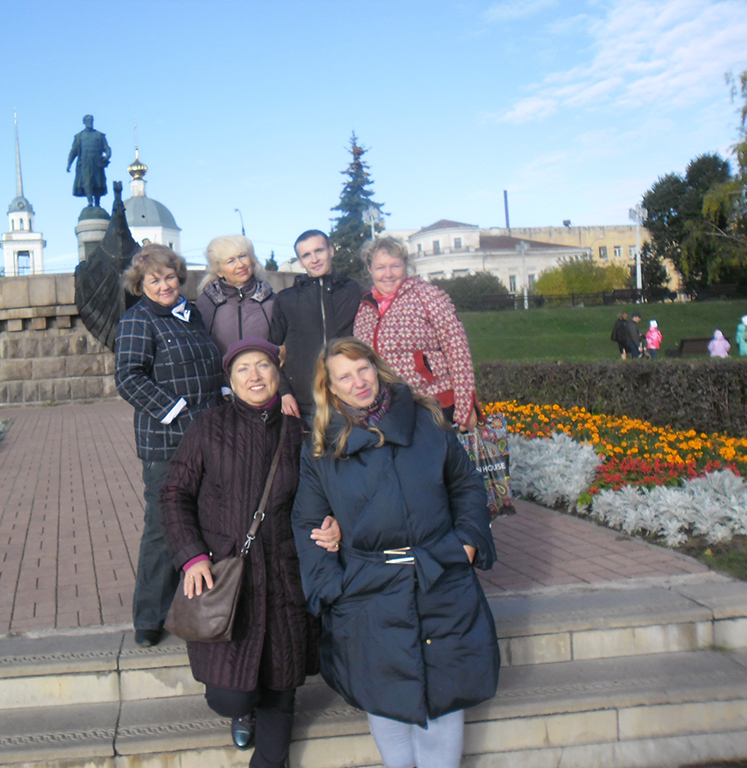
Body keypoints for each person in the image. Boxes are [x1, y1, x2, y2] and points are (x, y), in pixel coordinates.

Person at [291, 338, 499, 768]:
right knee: (386, 704)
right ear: (330, 387)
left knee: (444, 700)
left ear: (377, 367)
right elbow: (308, 522)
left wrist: (467, 544)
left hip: (440, 577)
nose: (358, 382)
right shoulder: (321, 447)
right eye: (344, 377)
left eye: (363, 369)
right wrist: (331, 588)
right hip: (368, 590)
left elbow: (466, 484)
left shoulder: (425, 419)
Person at [161, 338, 340, 768]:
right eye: (243, 368)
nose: (255, 376)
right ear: (231, 380)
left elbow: (330, 495)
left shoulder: (300, 433)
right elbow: (174, 493)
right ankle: (243, 708)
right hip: (227, 575)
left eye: (263, 365)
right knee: (229, 695)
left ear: (278, 373)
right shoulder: (208, 426)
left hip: (284, 577)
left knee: (281, 684)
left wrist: (336, 522)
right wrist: (192, 555)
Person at [114, 244, 223, 647]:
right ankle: (149, 617)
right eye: (154, 280)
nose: (164, 286)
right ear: (140, 284)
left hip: (207, 437)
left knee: (206, 521)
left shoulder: (192, 314)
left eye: (170, 277)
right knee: (163, 527)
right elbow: (128, 377)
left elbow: (209, 366)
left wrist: (224, 396)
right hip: (167, 442)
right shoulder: (137, 320)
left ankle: (197, 608)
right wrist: (178, 411)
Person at [353, 236, 478, 430]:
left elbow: (457, 350)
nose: (388, 274)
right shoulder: (365, 309)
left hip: (433, 403)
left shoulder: (426, 295)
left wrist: (466, 408)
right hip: (388, 409)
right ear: (370, 269)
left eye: (395, 266)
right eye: (380, 267)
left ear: (405, 265)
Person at [268, 230, 362, 422]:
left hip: (349, 398)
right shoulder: (286, 299)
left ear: (331, 251)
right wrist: (284, 392)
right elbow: (271, 351)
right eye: (306, 255)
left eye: (319, 251)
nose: (314, 259)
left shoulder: (353, 290)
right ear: (300, 261)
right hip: (304, 404)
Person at [196, 235, 275, 356]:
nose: (240, 265)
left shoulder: (270, 300)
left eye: (242, 256)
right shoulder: (205, 304)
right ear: (219, 271)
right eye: (230, 261)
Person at [67, 114, 112, 208]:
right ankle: (90, 201)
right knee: (87, 182)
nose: (90, 121)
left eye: (91, 120)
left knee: (98, 182)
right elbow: (73, 151)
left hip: (97, 162)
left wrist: (107, 156)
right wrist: (69, 164)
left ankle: (97, 203)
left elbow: (106, 148)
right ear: (84, 122)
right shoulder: (79, 136)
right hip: (85, 162)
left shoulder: (99, 135)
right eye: (87, 120)